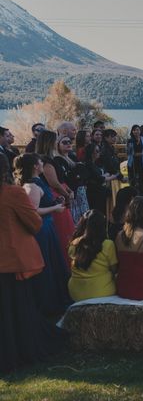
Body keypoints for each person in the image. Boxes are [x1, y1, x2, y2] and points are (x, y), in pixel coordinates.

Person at [0, 154, 65, 372]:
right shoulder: (13, 193)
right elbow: (34, 223)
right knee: (19, 306)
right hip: (12, 258)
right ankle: (21, 348)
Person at [15, 153, 71, 315]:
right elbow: (34, 211)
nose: (42, 163)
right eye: (40, 161)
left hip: (48, 227)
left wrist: (55, 201)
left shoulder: (39, 182)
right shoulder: (31, 186)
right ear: (35, 166)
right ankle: (49, 303)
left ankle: (59, 298)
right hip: (41, 230)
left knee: (55, 262)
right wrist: (55, 208)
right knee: (47, 265)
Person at [35, 130, 75, 264]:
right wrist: (66, 194)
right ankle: (64, 263)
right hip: (55, 196)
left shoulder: (50, 158)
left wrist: (68, 189)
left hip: (62, 191)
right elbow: (54, 183)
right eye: (55, 140)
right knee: (63, 231)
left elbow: (61, 180)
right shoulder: (44, 160)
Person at [68, 210, 118, 302]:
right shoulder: (108, 245)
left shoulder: (74, 244)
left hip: (76, 293)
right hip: (102, 293)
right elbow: (114, 270)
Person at [54, 135, 89, 224]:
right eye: (64, 142)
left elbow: (83, 174)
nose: (68, 144)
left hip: (80, 192)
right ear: (58, 145)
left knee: (84, 220)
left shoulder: (72, 157)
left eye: (69, 142)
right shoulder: (57, 160)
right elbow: (67, 178)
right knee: (75, 221)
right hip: (71, 193)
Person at [84, 142, 118, 214]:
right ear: (91, 153)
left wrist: (107, 175)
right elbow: (100, 179)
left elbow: (100, 175)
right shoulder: (88, 164)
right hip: (94, 193)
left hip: (99, 191)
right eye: (97, 151)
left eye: (99, 150)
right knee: (98, 212)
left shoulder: (94, 163)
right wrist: (114, 176)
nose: (99, 152)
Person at [100, 128, 125, 220]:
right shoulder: (105, 149)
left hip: (115, 176)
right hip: (110, 178)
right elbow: (109, 165)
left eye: (115, 136)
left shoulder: (111, 148)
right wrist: (119, 176)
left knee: (115, 198)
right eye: (112, 136)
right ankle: (111, 218)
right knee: (111, 200)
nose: (114, 138)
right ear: (106, 138)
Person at [126, 124, 143, 197]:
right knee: (132, 182)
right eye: (134, 130)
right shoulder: (130, 141)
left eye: (137, 130)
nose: (136, 131)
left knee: (142, 183)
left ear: (140, 131)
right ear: (132, 131)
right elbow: (129, 153)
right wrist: (131, 150)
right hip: (133, 164)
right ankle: (133, 199)